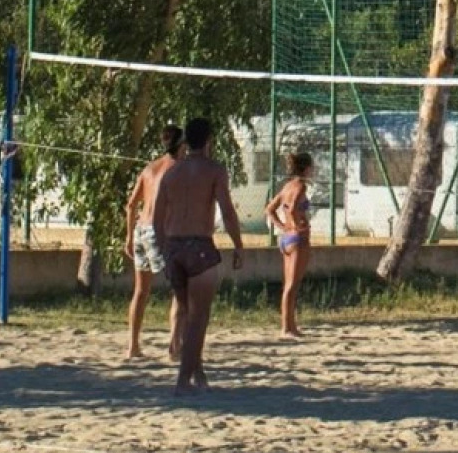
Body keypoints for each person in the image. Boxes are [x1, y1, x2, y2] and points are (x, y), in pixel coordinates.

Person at [150, 117, 244, 396]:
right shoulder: (214, 170)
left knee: (186, 312)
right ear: (209, 141)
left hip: (175, 247)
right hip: (199, 246)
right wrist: (238, 245)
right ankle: (182, 380)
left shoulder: (172, 173)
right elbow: (227, 211)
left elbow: (156, 217)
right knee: (197, 318)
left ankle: (198, 372)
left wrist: (163, 248)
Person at [124, 125, 184, 361]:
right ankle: (174, 348)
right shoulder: (177, 169)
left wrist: (129, 236)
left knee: (141, 291)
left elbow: (130, 206)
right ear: (181, 145)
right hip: (159, 232)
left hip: (140, 229)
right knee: (180, 290)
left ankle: (132, 346)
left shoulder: (149, 168)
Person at [265, 151, 316, 339]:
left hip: (286, 238)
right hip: (297, 238)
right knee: (293, 285)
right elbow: (294, 207)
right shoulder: (300, 186)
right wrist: (297, 224)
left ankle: (290, 325)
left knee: (289, 285)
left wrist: (282, 226)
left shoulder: (287, 186)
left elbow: (270, 209)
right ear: (307, 168)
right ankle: (287, 327)